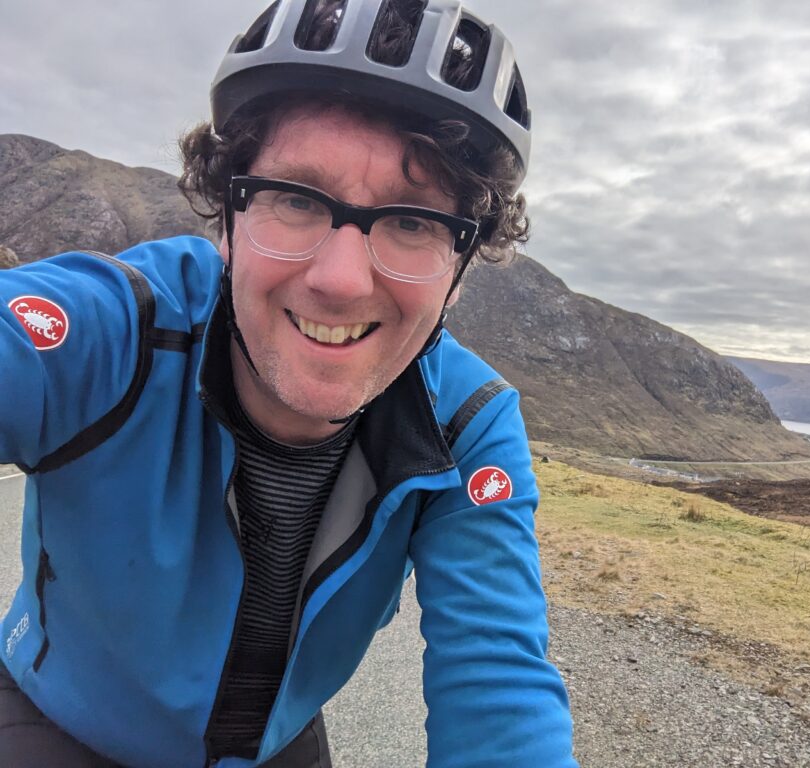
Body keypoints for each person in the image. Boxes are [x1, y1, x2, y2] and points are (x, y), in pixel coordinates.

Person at [0, 1, 577, 766]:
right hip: (58, 726)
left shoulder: (466, 423)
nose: (341, 280)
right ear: (227, 219)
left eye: (412, 222)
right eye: (297, 199)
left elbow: (501, 691)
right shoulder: (121, 331)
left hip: (275, 748)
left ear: (460, 272)